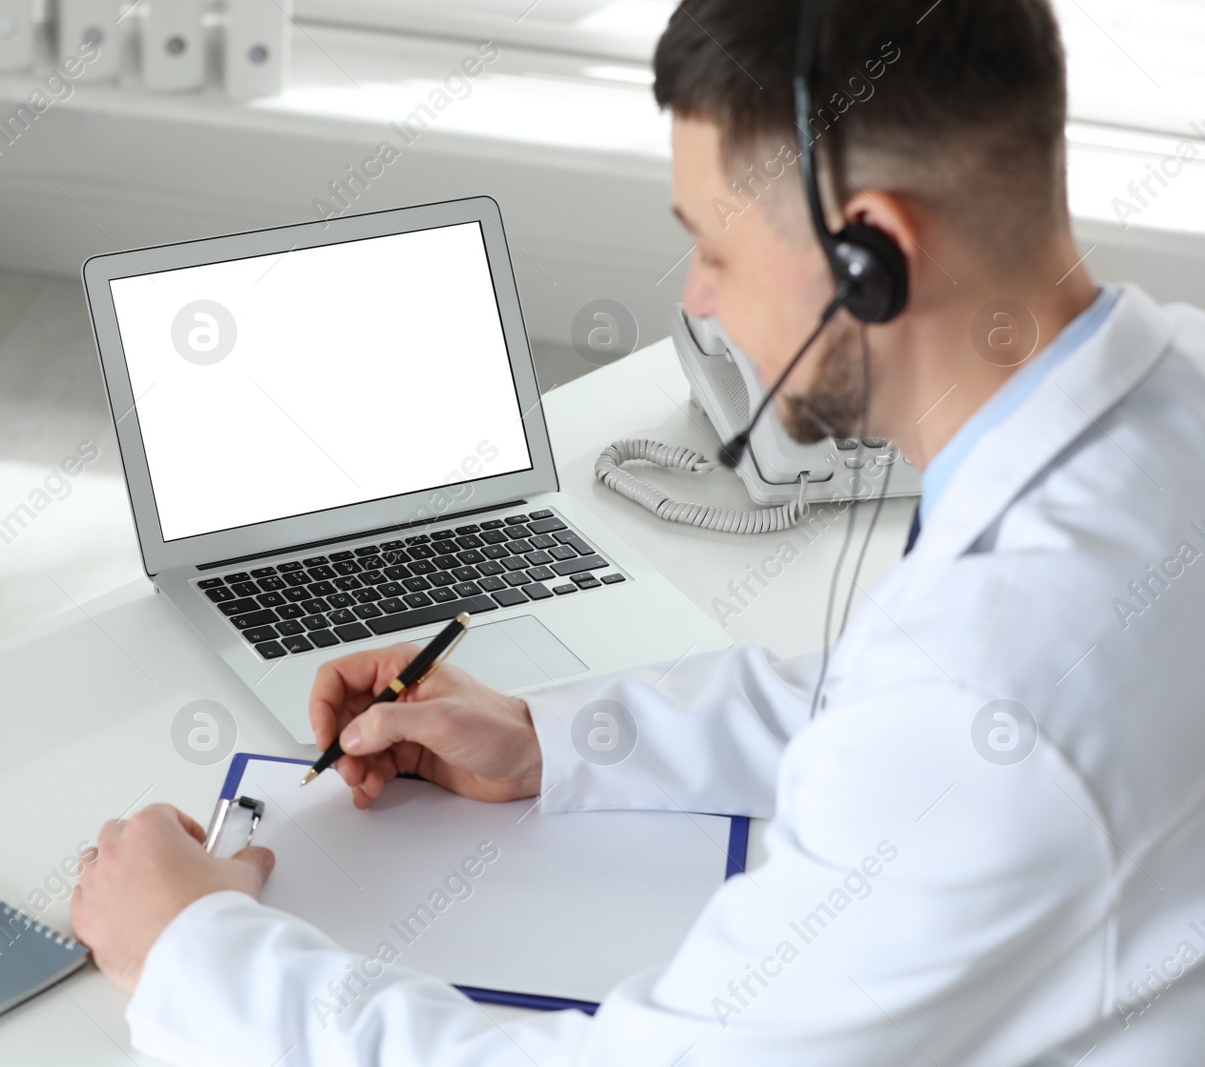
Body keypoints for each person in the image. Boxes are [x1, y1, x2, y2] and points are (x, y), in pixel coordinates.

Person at [70, 0, 1205, 1061]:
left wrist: (192, 947)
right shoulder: (1170, 392)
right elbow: (883, 698)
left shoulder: (986, 700)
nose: (699, 302)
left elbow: (946, 728)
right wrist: (556, 738)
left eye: (712, 248)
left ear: (867, 258)